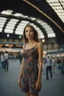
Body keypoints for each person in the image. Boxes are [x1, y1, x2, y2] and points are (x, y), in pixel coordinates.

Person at [18, 24, 43, 96]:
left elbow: (40, 63)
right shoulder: (24, 45)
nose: (28, 33)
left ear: (34, 32)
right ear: (25, 33)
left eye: (30, 31)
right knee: (27, 94)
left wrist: (39, 80)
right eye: (26, 31)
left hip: (34, 73)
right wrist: (19, 77)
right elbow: (23, 63)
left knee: (33, 94)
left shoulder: (38, 45)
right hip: (25, 74)